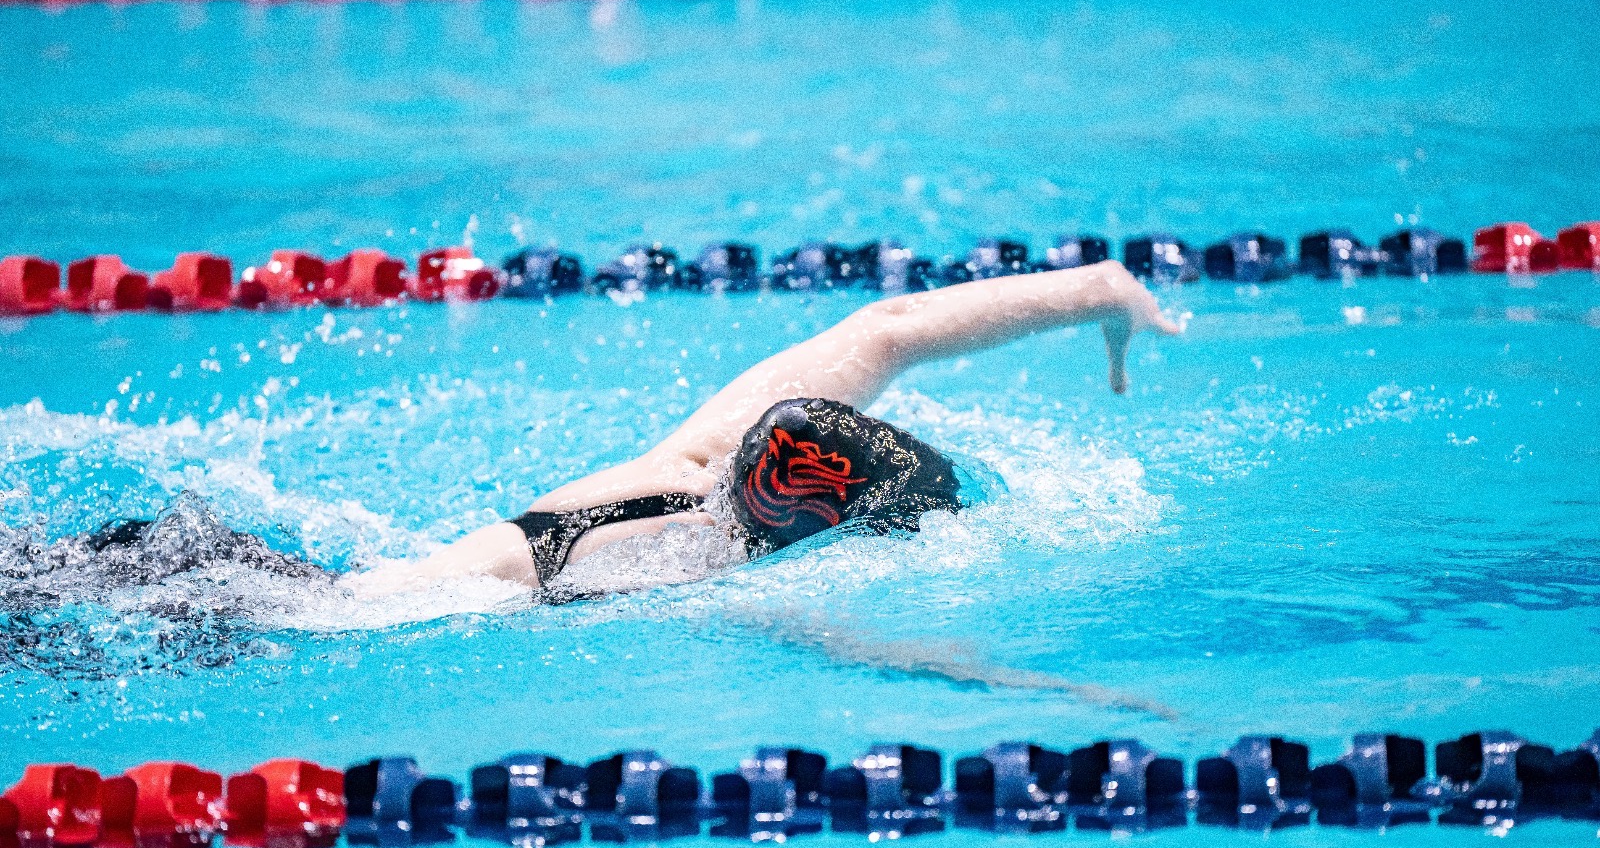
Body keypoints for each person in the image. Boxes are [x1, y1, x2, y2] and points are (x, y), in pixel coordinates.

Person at [347, 259, 1182, 597]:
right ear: (817, 521)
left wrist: (1100, 290)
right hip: (348, 608)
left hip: (392, 578)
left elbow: (888, 326)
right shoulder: (704, 579)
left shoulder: (705, 454)